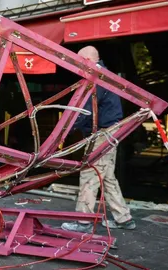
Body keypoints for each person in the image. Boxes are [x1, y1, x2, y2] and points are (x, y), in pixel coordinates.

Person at [61, 46, 135, 233]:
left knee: (89, 174)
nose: (77, 65)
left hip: (103, 133)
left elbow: (84, 110)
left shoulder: (97, 78)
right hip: (110, 133)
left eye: (78, 61)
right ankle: (123, 218)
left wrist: (64, 131)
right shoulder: (106, 76)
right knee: (107, 177)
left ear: (87, 59)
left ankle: (83, 221)